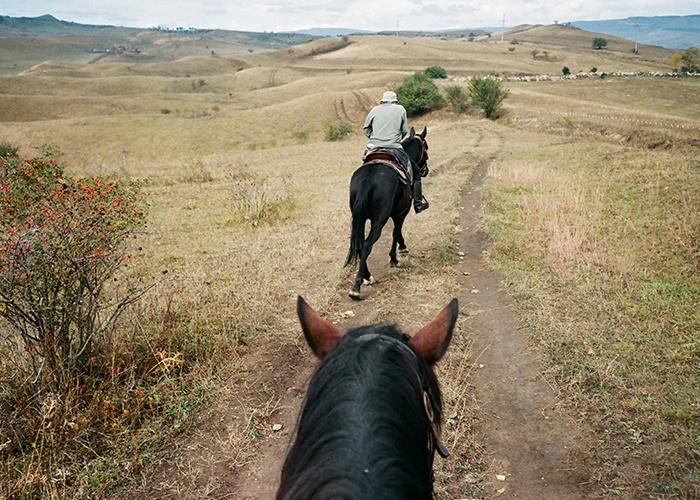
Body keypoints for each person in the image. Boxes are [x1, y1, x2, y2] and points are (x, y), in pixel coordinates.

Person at [363, 91, 429, 213]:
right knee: (414, 170)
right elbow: (404, 130)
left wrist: (375, 137)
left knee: (365, 166)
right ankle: (418, 203)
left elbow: (366, 129)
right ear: (395, 101)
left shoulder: (374, 110)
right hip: (394, 147)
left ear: (382, 101)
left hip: (374, 147)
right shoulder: (400, 109)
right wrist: (396, 139)